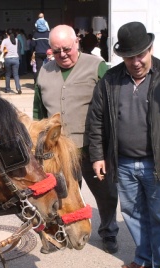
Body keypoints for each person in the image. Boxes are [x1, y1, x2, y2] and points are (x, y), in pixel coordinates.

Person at [86, 21, 160, 268]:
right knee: (132, 214)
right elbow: (96, 120)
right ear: (121, 56)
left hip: (158, 165)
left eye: (140, 55)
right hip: (122, 163)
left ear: (150, 48)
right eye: (129, 56)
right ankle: (144, 258)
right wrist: (98, 155)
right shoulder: (110, 80)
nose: (135, 62)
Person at [33, 24, 119, 254]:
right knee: (61, 195)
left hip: (91, 147)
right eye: (56, 50)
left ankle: (109, 232)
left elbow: (112, 107)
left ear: (77, 43)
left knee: (106, 193)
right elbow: (38, 112)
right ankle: (59, 234)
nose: (62, 54)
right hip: (58, 151)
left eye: (67, 49)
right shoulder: (44, 72)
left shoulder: (96, 66)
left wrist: (109, 145)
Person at [0, 29, 22, 94]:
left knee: (8, 75)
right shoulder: (16, 40)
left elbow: (1, 50)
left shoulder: (5, 40)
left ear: (7, 34)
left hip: (8, 59)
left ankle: (7, 89)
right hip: (16, 58)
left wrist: (3, 49)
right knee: (16, 75)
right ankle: (18, 88)